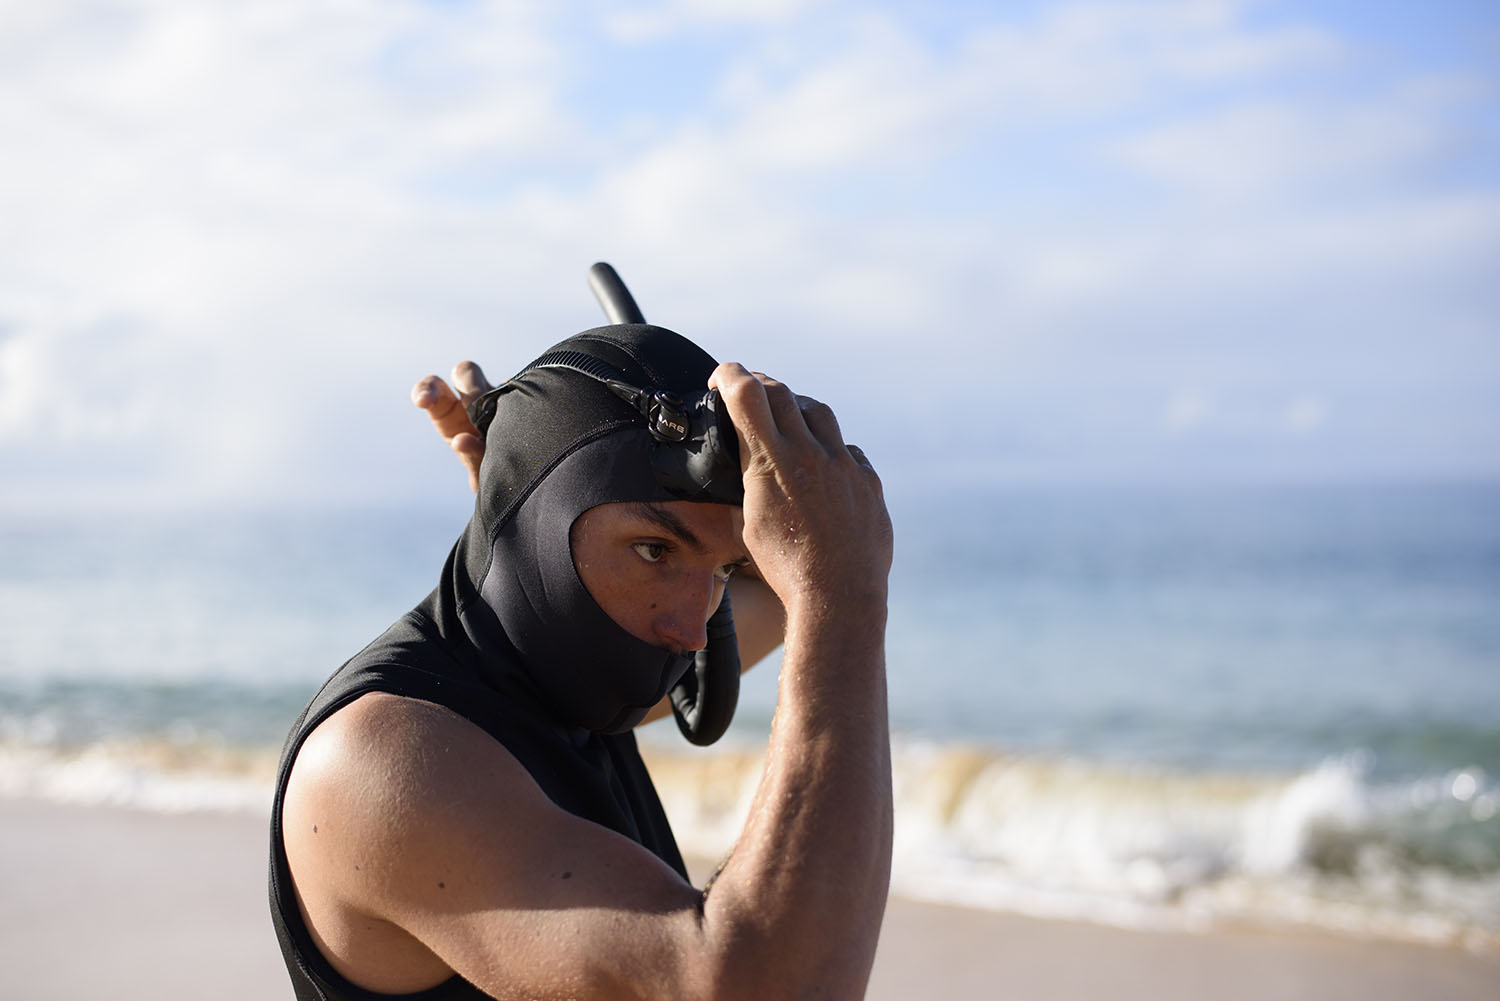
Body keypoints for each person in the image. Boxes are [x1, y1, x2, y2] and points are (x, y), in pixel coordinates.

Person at [269, 321, 894, 1000]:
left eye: (722, 569)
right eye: (654, 550)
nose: (694, 633)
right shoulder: (380, 762)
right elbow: (756, 986)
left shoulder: (566, 675)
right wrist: (846, 595)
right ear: (540, 517)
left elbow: (786, 581)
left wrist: (522, 500)